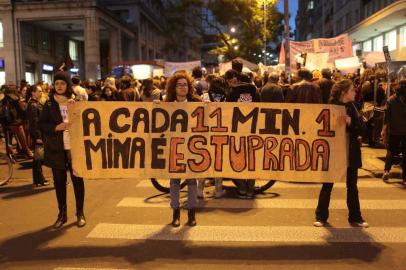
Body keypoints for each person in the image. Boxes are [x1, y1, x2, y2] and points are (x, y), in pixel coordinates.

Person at [314, 79, 368, 228]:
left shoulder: (354, 107)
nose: (355, 92)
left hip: (350, 153)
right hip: (333, 153)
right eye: (352, 90)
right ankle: (321, 216)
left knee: (352, 186)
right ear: (344, 92)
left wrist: (352, 123)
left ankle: (355, 217)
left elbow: (363, 129)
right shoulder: (330, 107)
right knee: (327, 185)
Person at [39, 71, 86, 229]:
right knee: (59, 182)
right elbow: (42, 124)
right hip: (56, 148)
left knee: (77, 180)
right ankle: (62, 214)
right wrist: (55, 127)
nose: (59, 86)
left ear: (68, 85)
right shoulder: (49, 103)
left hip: (74, 147)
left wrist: (77, 110)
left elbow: (88, 121)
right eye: (56, 83)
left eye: (62, 83)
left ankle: (80, 213)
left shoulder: (77, 101)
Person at [160, 72, 200, 227]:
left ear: (189, 87)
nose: (183, 87)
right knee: (175, 181)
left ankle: (191, 212)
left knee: (191, 180)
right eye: (179, 85)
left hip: (192, 147)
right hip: (174, 147)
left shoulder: (196, 102)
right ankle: (175, 212)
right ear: (174, 88)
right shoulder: (167, 103)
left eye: (185, 84)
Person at [226, 71, 260, 199]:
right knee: (251, 160)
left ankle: (242, 188)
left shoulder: (232, 92)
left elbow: (226, 111)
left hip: (236, 131)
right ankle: (250, 190)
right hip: (252, 129)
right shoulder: (255, 91)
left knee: (233, 159)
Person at [198, 76, 227, 199]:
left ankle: (200, 189)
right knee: (218, 162)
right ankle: (218, 190)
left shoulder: (204, 97)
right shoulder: (227, 98)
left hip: (205, 133)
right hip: (220, 133)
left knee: (203, 161)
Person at [381, 79, 406, 185]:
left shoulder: (391, 100)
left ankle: (386, 171)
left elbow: (387, 118)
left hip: (394, 130)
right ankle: (405, 178)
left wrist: (383, 130)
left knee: (391, 151)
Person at [26, 84, 50, 187]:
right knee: (38, 158)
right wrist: (38, 137)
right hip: (38, 135)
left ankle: (38, 179)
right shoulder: (32, 105)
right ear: (33, 92)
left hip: (39, 134)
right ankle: (39, 179)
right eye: (39, 91)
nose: (41, 93)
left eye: (41, 91)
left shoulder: (36, 103)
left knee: (38, 158)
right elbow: (34, 122)